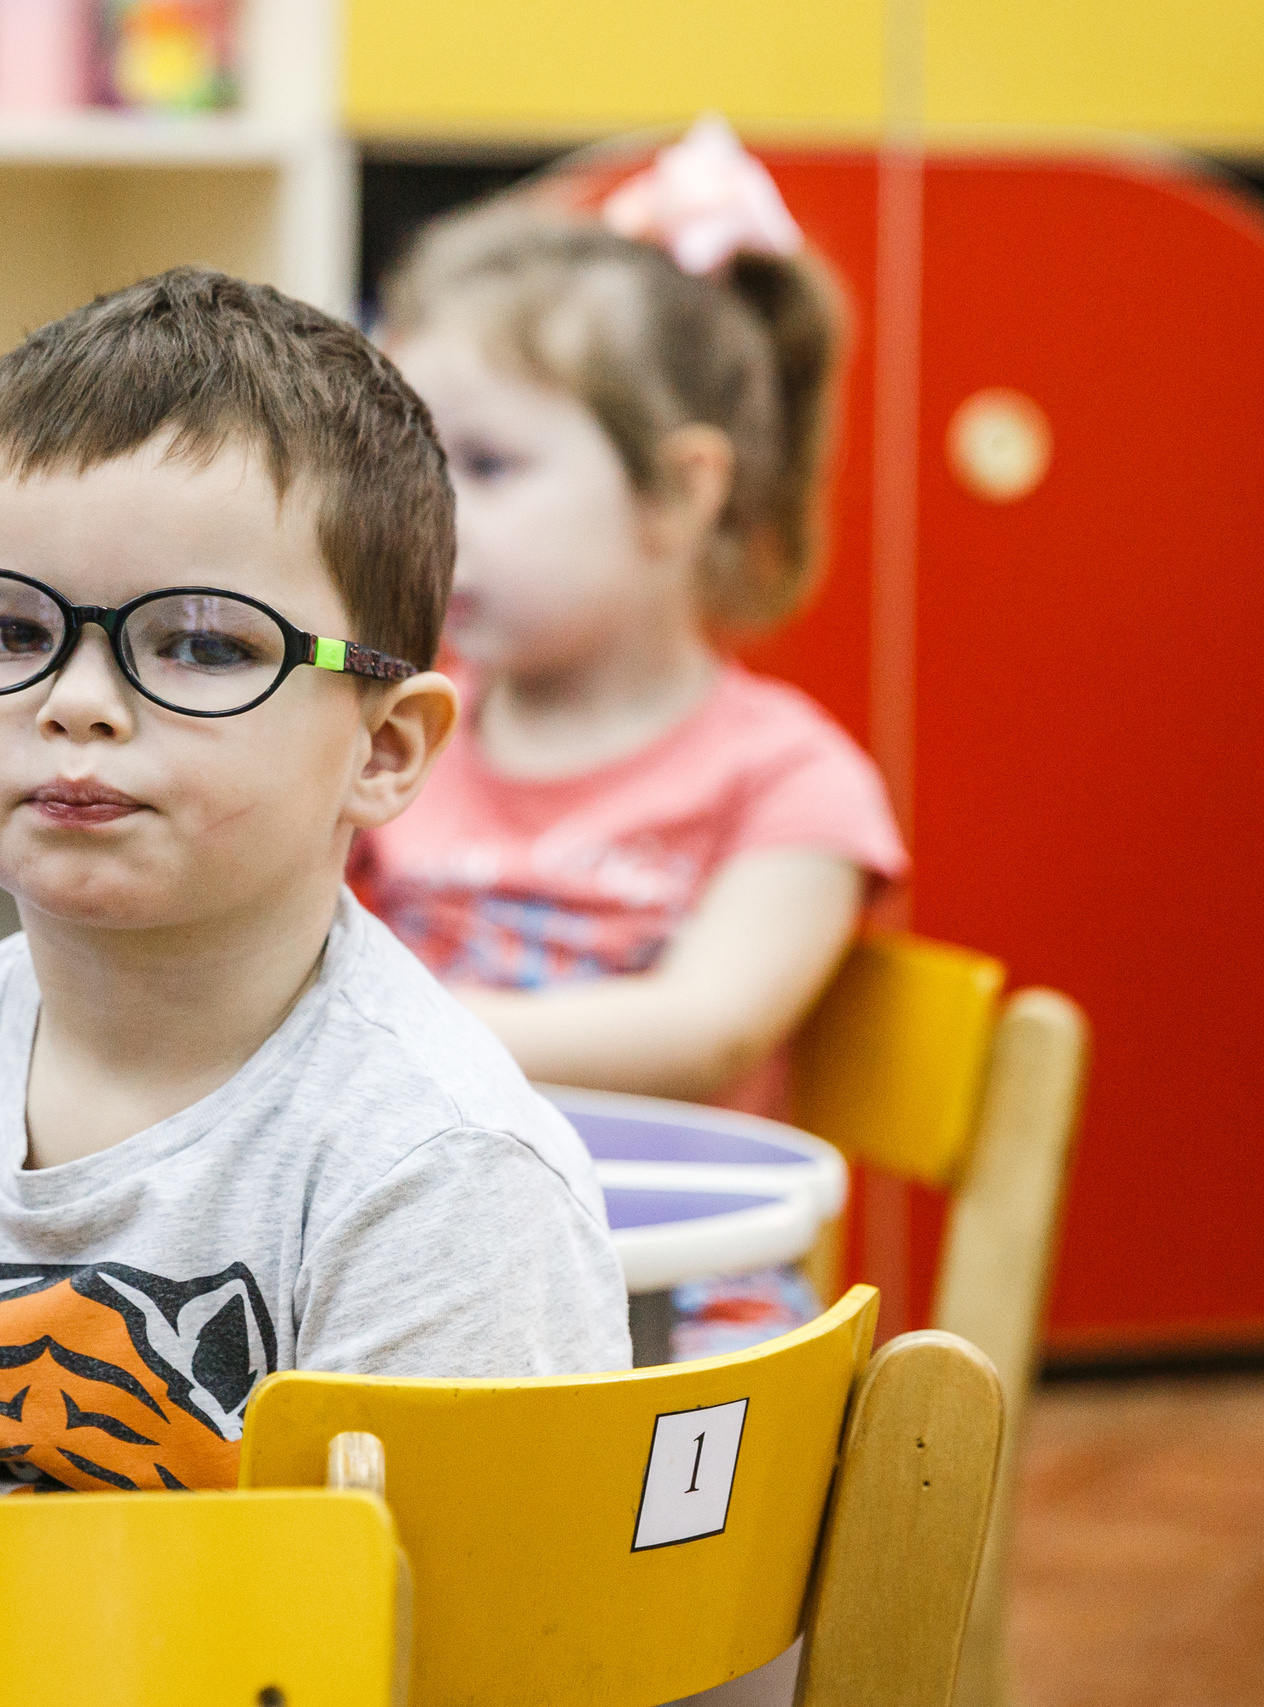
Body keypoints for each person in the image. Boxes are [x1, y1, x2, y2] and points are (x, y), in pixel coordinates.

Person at [0, 267, 630, 1501]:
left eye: (202, 646)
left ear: (383, 750)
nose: (77, 703)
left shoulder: (435, 1170)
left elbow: (450, 1652)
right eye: (4, 631)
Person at [354, 120, 908, 1365]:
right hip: (421, 1259)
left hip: (671, 1303)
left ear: (678, 491)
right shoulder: (403, 725)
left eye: (487, 465)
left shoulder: (790, 779)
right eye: (414, 465)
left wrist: (369, 1035)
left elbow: (705, 1028)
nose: (430, 517)